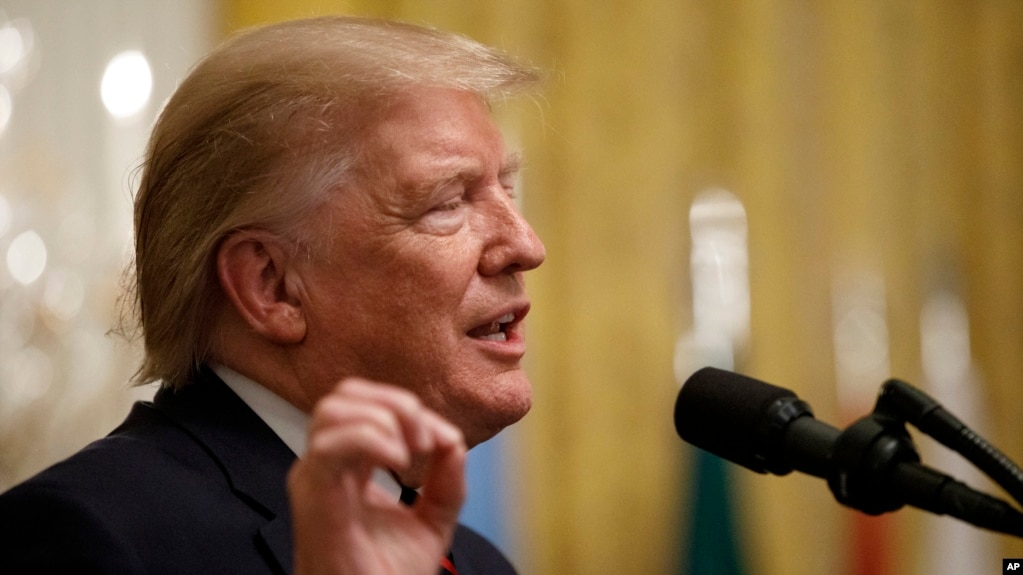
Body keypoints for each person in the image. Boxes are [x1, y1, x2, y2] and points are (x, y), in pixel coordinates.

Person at [0, 15, 546, 575]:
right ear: (272, 286)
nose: (527, 245)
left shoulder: (480, 562)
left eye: (506, 188)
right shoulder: (83, 538)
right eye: (447, 203)